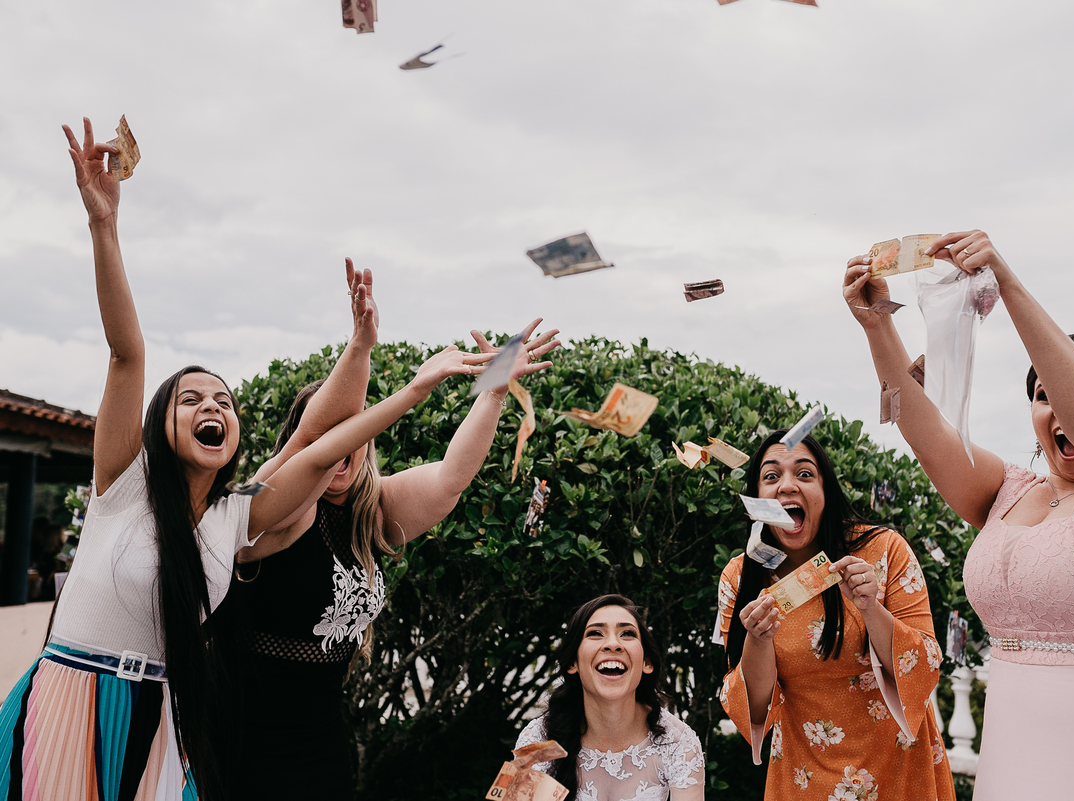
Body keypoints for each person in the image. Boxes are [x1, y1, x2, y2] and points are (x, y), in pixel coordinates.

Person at [0, 118, 494, 801]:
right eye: (191, 398)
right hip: (74, 692)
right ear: (158, 424)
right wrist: (104, 226)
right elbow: (126, 352)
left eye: (226, 400)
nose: (213, 406)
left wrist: (395, 371)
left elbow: (325, 441)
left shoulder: (240, 516)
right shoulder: (122, 484)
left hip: (160, 720)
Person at [843, 229, 1074, 797]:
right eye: (1040, 396)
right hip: (1016, 761)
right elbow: (927, 433)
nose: (1055, 408)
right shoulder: (1007, 492)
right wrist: (878, 325)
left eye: (1069, 392)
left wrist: (1003, 283)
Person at [218, 271, 560, 800]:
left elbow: (450, 479)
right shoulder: (273, 507)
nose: (339, 447)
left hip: (322, 741)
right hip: (245, 739)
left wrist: (492, 393)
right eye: (330, 435)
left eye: (352, 433)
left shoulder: (369, 512)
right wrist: (364, 351)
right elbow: (311, 446)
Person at [715, 431, 953, 800]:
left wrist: (870, 607)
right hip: (803, 770)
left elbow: (925, 665)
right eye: (771, 476)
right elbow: (754, 707)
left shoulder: (884, 550)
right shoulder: (739, 578)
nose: (786, 486)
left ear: (827, 493)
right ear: (756, 500)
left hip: (898, 760)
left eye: (805, 474)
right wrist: (758, 640)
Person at [516, 594, 705, 801]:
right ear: (572, 664)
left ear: (647, 663)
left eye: (627, 634)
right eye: (596, 633)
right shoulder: (536, 739)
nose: (613, 644)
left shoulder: (679, 742)